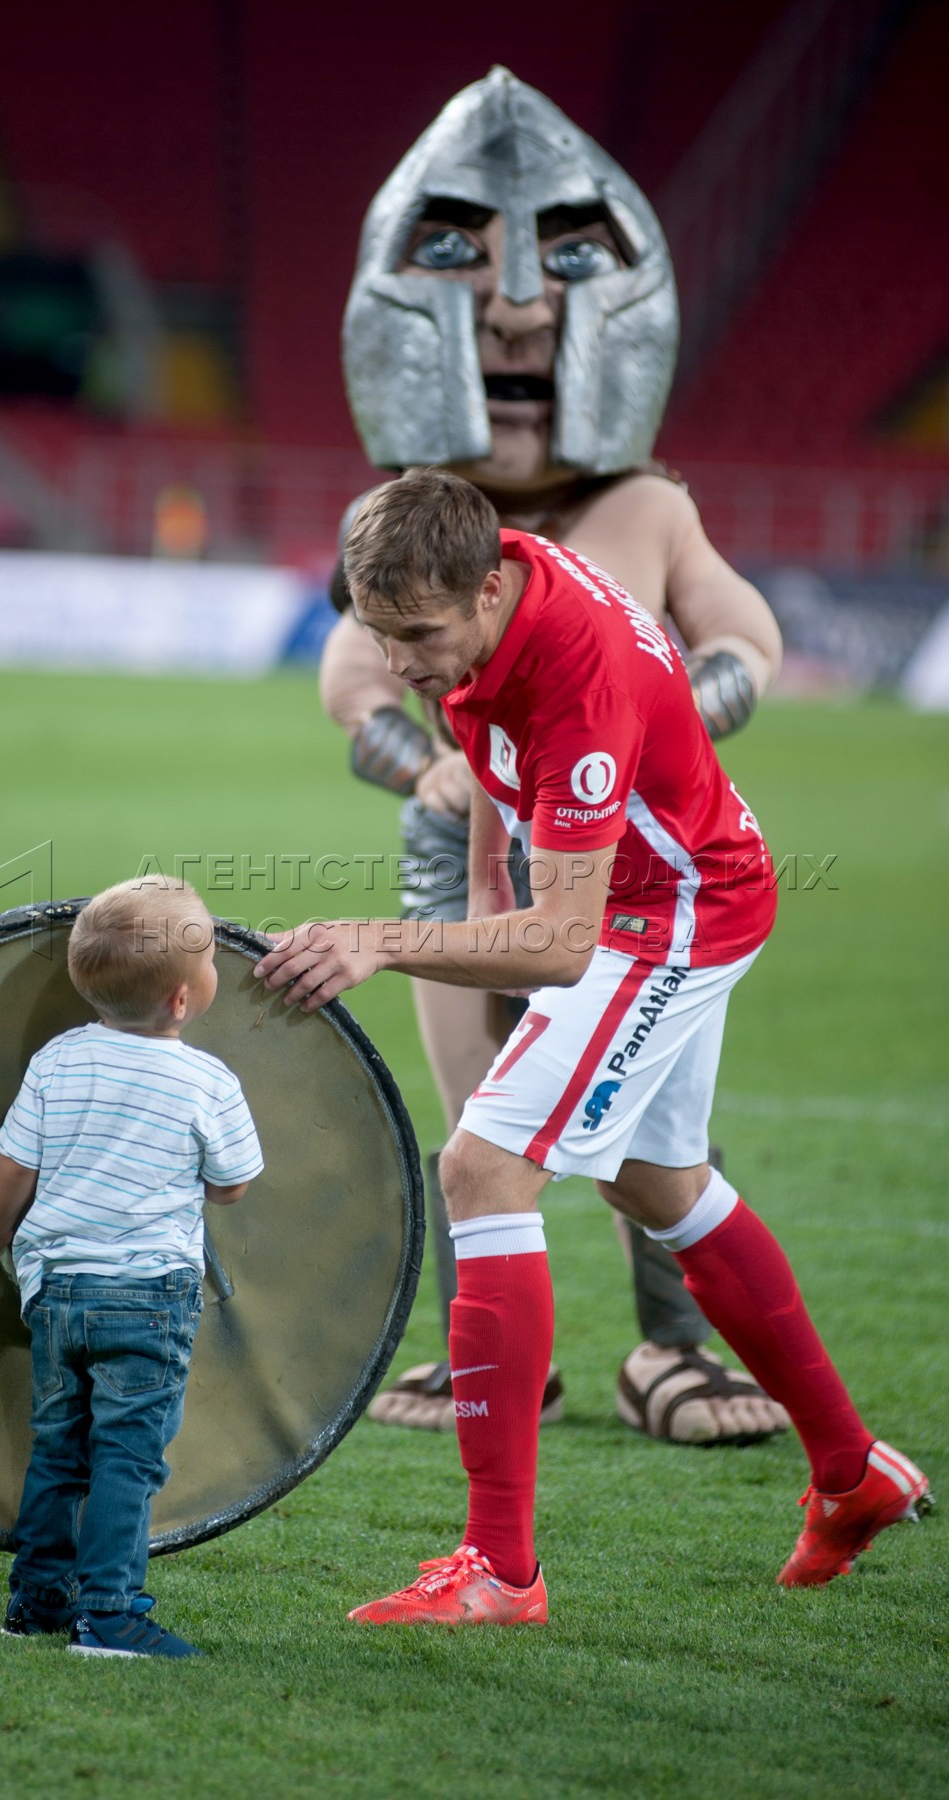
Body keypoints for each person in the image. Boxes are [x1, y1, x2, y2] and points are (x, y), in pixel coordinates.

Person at [257, 469, 931, 1620]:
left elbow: (568, 946)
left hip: (666, 916)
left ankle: (502, 1571)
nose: (402, 667)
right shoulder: (486, 572)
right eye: (379, 638)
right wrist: (476, 897)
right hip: (659, 896)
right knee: (659, 1183)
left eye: (418, 637)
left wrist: (381, 940)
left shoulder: (579, 676)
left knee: (479, 1168)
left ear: (483, 593)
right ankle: (853, 1473)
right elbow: (480, 742)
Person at [322, 67, 786, 1443]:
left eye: (564, 263)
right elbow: (351, 689)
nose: (517, 307)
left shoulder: (644, 506)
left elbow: (744, 638)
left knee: (643, 1112)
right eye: (458, 257)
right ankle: (493, 1355)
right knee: (479, 1116)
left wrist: (676, 708)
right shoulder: (398, 525)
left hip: (642, 865)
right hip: (457, 855)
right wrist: (425, 767)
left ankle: (673, 1347)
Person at [0, 876, 263, 1658]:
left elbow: (12, 1165)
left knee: (58, 1449)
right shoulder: (208, 1081)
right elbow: (232, 1185)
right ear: (181, 999)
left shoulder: (57, 1061)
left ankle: (35, 1604)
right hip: (150, 1296)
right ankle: (110, 1615)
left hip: (58, 1292)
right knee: (125, 1460)